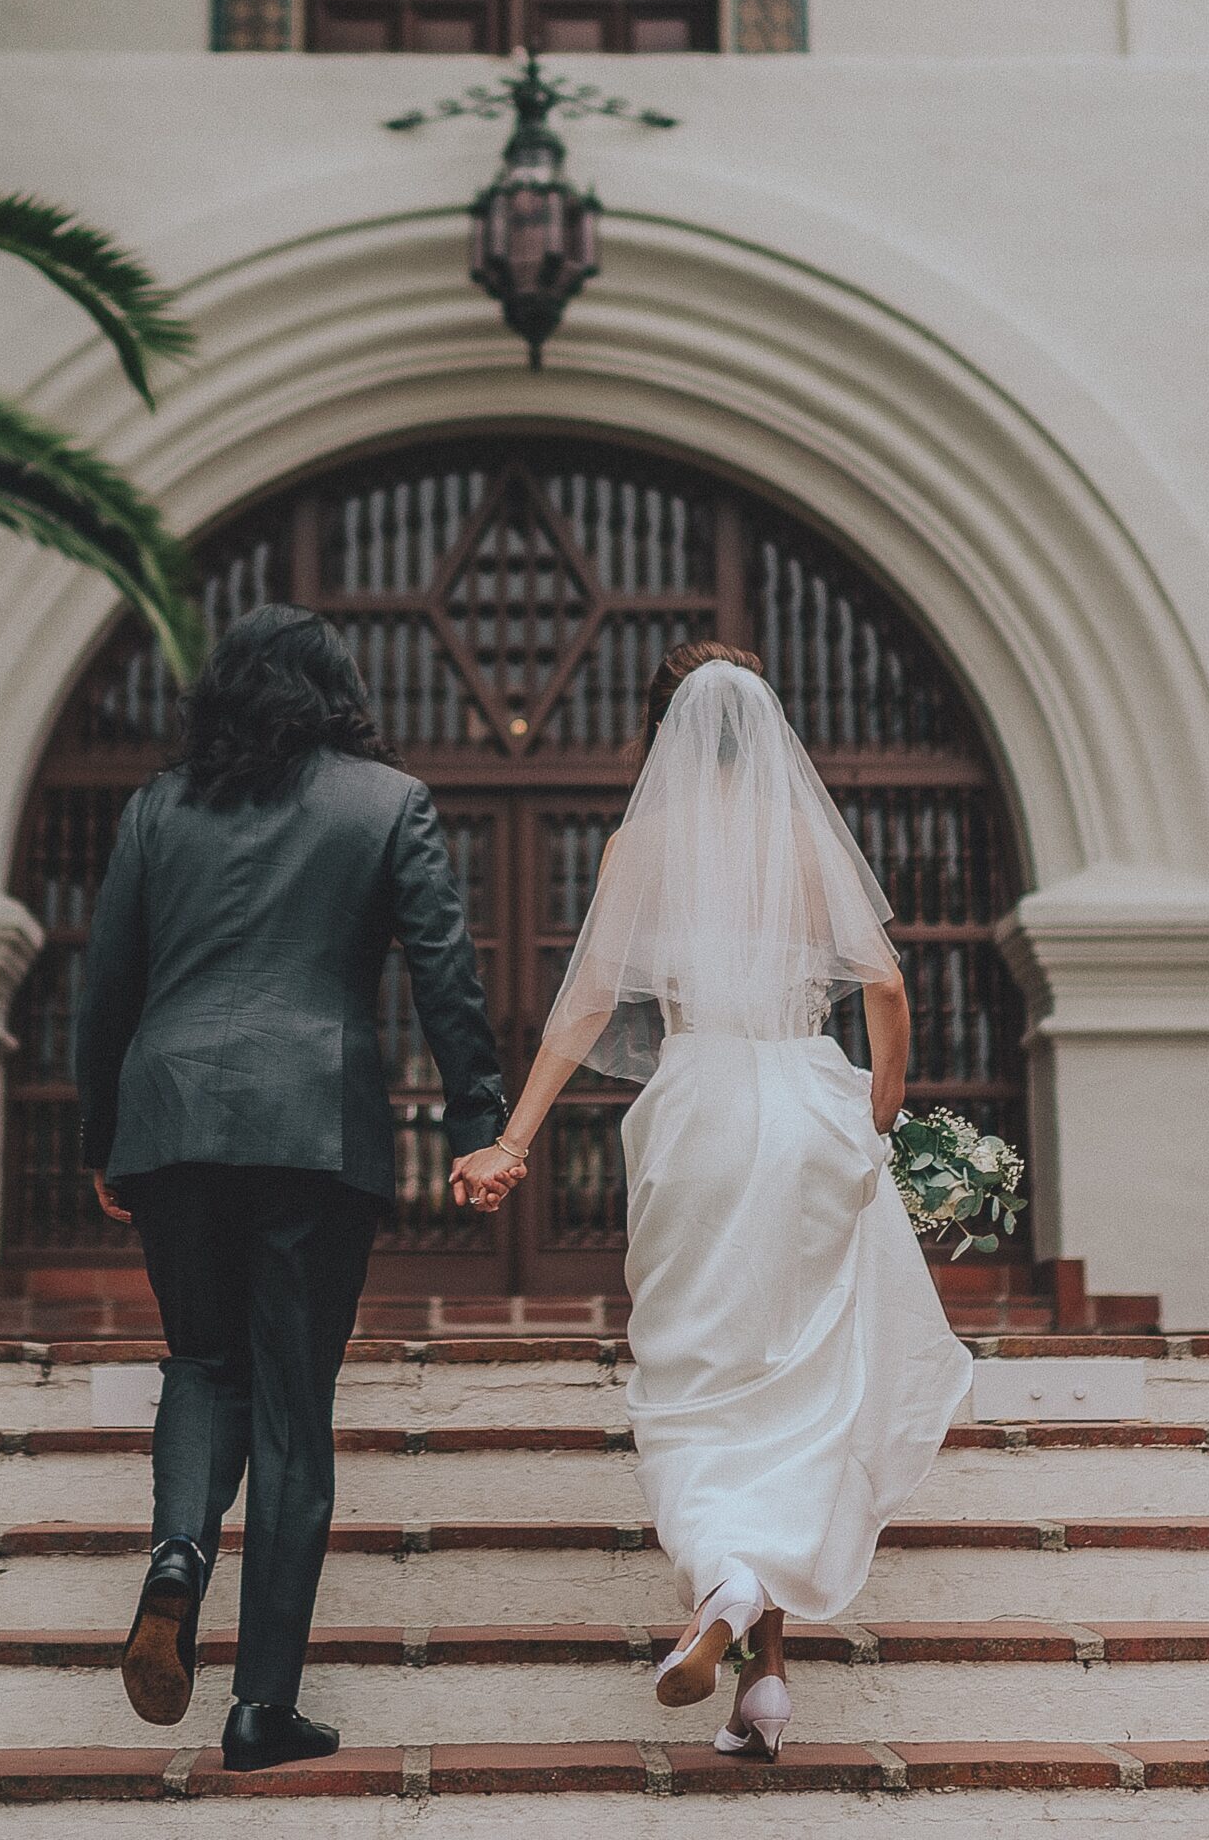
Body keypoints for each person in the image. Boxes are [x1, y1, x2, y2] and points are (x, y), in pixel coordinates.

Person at [454, 640, 973, 1760]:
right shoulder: (804, 836)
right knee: (791, 1387)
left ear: (660, 736)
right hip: (805, 1107)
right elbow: (885, 986)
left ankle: (724, 1577)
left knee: (693, 1385)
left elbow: (585, 1006)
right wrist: (879, 1110)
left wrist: (511, 1137)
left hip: (696, 1116)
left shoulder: (641, 844)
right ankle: (766, 1677)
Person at [75, 605, 509, 1775]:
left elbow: (105, 980)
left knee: (199, 1360)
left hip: (171, 1117)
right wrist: (476, 1119)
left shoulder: (157, 806)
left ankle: (177, 1552)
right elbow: (444, 971)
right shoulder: (386, 802)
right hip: (314, 1129)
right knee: (289, 1405)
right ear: (337, 690)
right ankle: (261, 1706)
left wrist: (104, 1135)